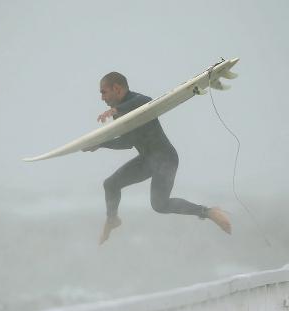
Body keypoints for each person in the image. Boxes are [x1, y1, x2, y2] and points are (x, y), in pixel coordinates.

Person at [84, 71, 232, 244]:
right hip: (147, 160)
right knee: (110, 184)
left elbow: (146, 102)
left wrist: (117, 109)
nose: (102, 97)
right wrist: (101, 144)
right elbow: (127, 142)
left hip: (165, 159)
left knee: (159, 205)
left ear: (116, 88)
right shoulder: (119, 113)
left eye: (104, 92)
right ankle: (112, 219)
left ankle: (209, 212)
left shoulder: (137, 101)